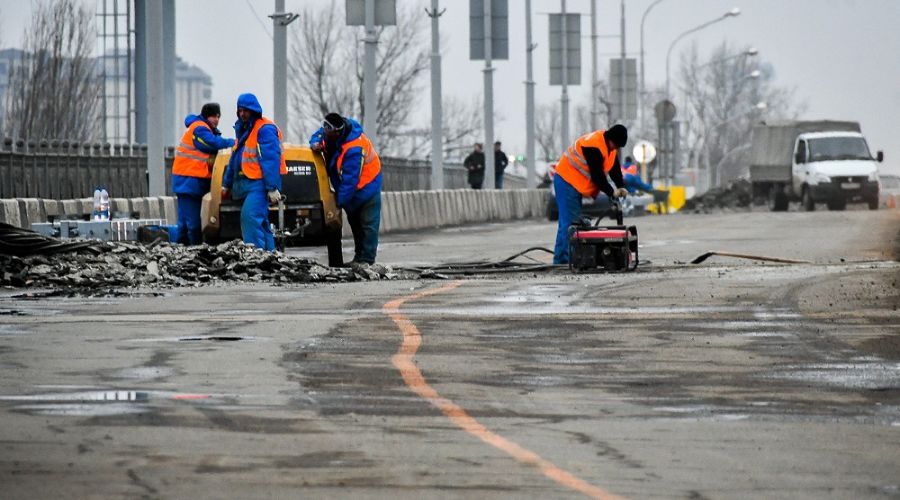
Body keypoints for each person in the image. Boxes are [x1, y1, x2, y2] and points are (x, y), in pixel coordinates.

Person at [309, 113, 382, 265]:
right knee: (355, 224)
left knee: (368, 225)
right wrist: (315, 143)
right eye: (325, 127)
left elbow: (350, 181)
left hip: (368, 186)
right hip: (352, 189)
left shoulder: (354, 148)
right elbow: (318, 135)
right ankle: (359, 258)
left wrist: (339, 202)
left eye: (328, 129)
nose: (325, 131)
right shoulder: (330, 133)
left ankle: (367, 260)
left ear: (337, 132)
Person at [552, 124, 630, 264]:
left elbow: (614, 168)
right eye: (616, 145)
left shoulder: (609, 146)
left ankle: (569, 258)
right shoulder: (593, 145)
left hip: (575, 183)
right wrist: (612, 192)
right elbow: (598, 176)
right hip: (566, 180)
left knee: (574, 222)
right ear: (612, 139)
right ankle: (562, 261)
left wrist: (621, 186)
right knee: (569, 223)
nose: (616, 149)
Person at [221, 93, 286, 251]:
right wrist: (226, 184)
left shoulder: (265, 129)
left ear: (254, 110)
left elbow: (270, 159)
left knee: (249, 217)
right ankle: (270, 257)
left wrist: (272, 187)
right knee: (261, 223)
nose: (242, 114)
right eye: (240, 110)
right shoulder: (244, 131)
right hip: (247, 183)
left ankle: (256, 257)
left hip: (259, 183)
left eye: (246, 110)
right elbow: (234, 159)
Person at [171, 103, 235, 245]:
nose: (216, 119)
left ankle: (180, 251)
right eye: (213, 116)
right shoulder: (200, 128)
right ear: (206, 116)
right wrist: (235, 143)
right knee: (194, 225)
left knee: (183, 224)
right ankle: (196, 251)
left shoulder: (205, 129)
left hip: (189, 182)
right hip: (189, 181)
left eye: (218, 116)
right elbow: (213, 144)